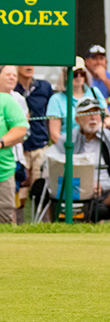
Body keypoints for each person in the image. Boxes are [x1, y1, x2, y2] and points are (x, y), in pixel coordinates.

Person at [48, 98, 110, 222]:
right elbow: (50, 166)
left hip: (103, 191)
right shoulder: (66, 140)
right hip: (73, 190)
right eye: (87, 113)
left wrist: (103, 186)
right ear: (77, 119)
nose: (92, 117)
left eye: (96, 113)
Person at [14, 66, 52, 221]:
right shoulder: (11, 89)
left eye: (31, 63)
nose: (29, 67)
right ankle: (17, 227)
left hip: (39, 146)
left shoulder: (44, 87)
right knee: (19, 194)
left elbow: (51, 117)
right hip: (19, 148)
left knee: (41, 191)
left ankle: (44, 228)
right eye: (24, 63)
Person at [47, 57, 110, 144]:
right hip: (68, 147)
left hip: (94, 145)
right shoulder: (56, 99)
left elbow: (109, 118)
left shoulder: (95, 92)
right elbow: (54, 135)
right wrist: (70, 149)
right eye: (75, 74)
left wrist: (101, 126)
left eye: (82, 73)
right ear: (65, 76)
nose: (79, 77)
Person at [0, 85, 29, 224]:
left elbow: (20, 129)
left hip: (2, 173)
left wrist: (1, 142)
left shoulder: (6, 100)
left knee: (4, 221)